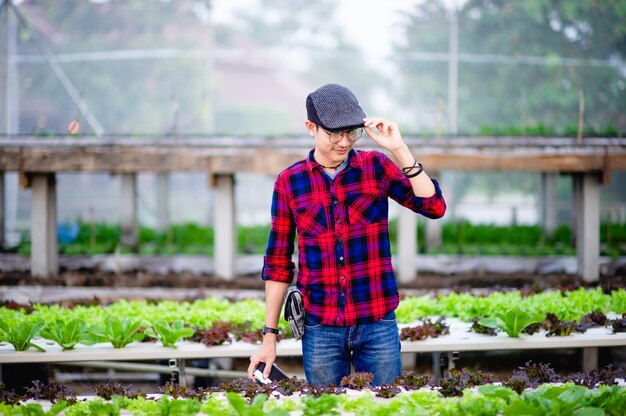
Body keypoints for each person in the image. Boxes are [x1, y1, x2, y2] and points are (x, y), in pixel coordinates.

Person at [248, 83, 446, 386]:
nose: (344, 142)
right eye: (335, 134)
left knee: (384, 407)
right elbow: (277, 263)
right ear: (310, 127)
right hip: (320, 328)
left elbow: (433, 206)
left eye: (353, 133)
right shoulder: (290, 182)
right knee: (326, 408)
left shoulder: (376, 167)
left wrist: (399, 149)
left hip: (377, 322)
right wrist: (269, 336)